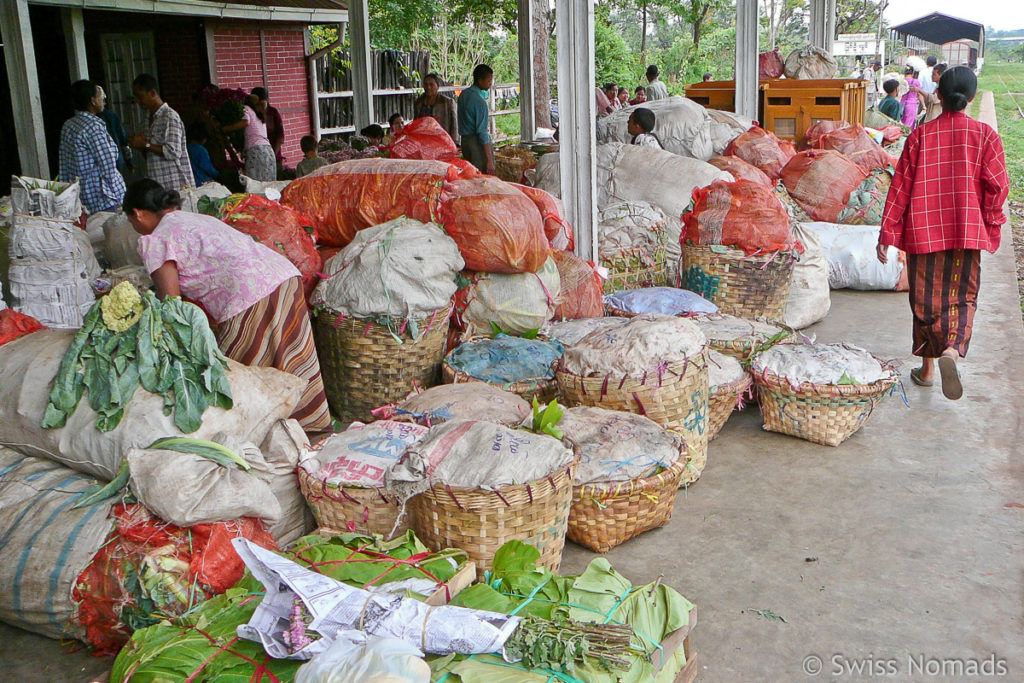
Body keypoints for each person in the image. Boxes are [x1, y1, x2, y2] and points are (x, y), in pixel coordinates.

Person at [125, 178, 331, 431]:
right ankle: (310, 430)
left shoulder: (157, 238)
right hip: (283, 277)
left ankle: (255, 435)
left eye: (130, 222)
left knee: (235, 375)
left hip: (249, 293)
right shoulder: (193, 218)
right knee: (291, 359)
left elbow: (170, 302)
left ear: (137, 214)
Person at [877, 66, 1009, 400]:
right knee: (962, 296)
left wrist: (887, 234)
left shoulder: (920, 136)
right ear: (972, 97)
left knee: (925, 300)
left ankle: (927, 369)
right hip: (966, 231)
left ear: (938, 94)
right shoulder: (986, 136)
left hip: (924, 233)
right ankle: (952, 351)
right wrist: (989, 222)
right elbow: (998, 187)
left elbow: (900, 190)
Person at [58, 79, 127, 214]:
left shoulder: (69, 125)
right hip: (101, 198)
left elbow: (64, 164)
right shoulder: (93, 127)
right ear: (92, 101)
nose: (103, 99)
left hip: (82, 195)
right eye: (100, 96)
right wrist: (118, 195)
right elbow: (108, 166)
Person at [128, 74, 195, 191]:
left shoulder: (169, 116)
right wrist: (140, 146)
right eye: (136, 97)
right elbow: (150, 154)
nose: (138, 101)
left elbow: (173, 152)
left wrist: (145, 144)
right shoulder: (147, 118)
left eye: (140, 96)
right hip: (156, 184)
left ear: (153, 93)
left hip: (175, 185)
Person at [222, 94, 276, 182]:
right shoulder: (259, 114)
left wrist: (225, 129)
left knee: (254, 184)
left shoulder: (246, 108)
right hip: (268, 151)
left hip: (256, 151)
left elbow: (245, 122)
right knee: (268, 185)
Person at [457, 64, 495, 175]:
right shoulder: (480, 102)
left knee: (469, 174)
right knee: (482, 178)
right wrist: (489, 160)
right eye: (488, 81)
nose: (490, 84)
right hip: (476, 144)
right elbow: (482, 132)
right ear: (480, 80)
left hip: (465, 142)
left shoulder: (463, 95)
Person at [413, 73, 459, 144]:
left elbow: (455, 125)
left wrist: (455, 143)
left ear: (437, 87)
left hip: (443, 141)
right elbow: (415, 124)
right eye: (426, 84)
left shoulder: (447, 103)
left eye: (431, 84)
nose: (428, 87)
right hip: (424, 142)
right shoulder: (419, 103)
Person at [96, 85, 131, 176]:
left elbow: (123, 139)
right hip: (115, 157)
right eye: (102, 99)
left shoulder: (111, 117)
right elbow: (123, 140)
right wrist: (129, 161)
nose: (104, 103)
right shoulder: (110, 117)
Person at [251, 87, 284, 170]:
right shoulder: (251, 114)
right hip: (257, 158)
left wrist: (272, 156)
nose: (260, 108)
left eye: (262, 104)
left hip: (274, 155)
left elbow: (280, 137)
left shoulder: (273, 113)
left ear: (267, 101)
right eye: (257, 105)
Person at [901, 65, 923, 129]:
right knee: (910, 124)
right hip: (912, 104)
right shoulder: (916, 82)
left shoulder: (901, 81)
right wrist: (924, 105)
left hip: (902, 103)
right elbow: (919, 94)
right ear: (912, 73)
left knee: (903, 122)